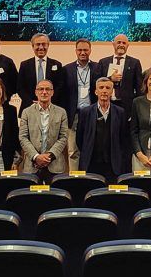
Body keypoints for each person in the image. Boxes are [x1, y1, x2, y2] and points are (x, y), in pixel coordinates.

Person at [76, 77, 130, 181]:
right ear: (96, 91)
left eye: (108, 88)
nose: (104, 90)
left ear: (111, 92)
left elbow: (124, 140)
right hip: (91, 164)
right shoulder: (85, 112)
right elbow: (79, 139)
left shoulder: (121, 112)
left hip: (113, 165)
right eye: (101, 88)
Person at [18, 79, 69, 182]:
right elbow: (23, 137)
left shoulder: (61, 112)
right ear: (36, 92)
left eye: (47, 89)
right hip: (32, 166)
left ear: (52, 92)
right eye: (41, 89)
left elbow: (63, 137)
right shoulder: (26, 112)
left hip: (55, 165)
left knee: (54, 197)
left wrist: (49, 156)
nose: (44, 92)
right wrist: (36, 157)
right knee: (33, 198)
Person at [61, 38, 100, 166]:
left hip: (92, 114)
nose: (83, 52)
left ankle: (92, 178)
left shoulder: (98, 67)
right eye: (80, 50)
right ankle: (75, 179)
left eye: (85, 50)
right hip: (74, 115)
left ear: (90, 51)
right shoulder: (66, 69)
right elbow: (63, 94)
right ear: (76, 51)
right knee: (73, 150)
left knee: (93, 148)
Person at [17, 33, 63, 115]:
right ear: (33, 46)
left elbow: (60, 86)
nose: (41, 47)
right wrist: (32, 102)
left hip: (51, 109)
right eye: (38, 44)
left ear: (48, 46)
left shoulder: (57, 65)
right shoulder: (24, 65)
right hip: (29, 108)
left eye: (44, 44)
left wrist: (48, 101)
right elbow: (20, 87)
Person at [98, 34, 144, 115]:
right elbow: (97, 82)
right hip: (107, 104)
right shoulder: (103, 62)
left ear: (128, 45)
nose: (121, 45)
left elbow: (139, 87)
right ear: (113, 44)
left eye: (124, 43)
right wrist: (110, 79)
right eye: (119, 42)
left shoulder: (135, 63)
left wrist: (137, 108)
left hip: (127, 107)